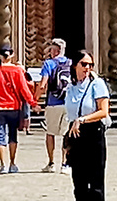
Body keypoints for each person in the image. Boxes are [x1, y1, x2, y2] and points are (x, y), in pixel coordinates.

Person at [60, 52, 112, 201]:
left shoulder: (97, 84)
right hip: (76, 135)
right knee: (79, 182)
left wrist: (82, 120)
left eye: (90, 65)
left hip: (93, 133)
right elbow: (70, 112)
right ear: (75, 65)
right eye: (84, 64)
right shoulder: (71, 86)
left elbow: (103, 111)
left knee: (96, 182)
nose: (87, 68)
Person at [0, 43, 40, 173]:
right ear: (12, 55)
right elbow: (23, 89)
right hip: (13, 107)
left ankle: (2, 164)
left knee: (0, 135)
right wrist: (33, 103)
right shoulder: (17, 71)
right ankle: (12, 163)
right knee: (12, 135)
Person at [40, 39, 73, 172]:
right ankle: (65, 163)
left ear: (55, 51)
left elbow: (43, 85)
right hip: (69, 103)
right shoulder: (71, 63)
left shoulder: (49, 64)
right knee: (66, 134)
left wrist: (35, 99)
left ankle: (51, 163)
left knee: (50, 133)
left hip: (53, 103)